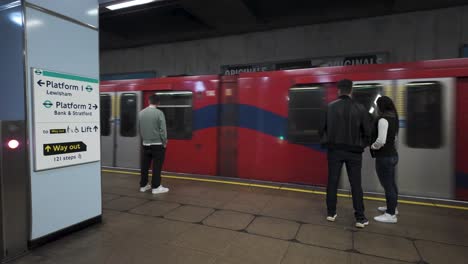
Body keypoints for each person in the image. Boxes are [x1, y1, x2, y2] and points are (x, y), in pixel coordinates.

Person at [320, 79, 371, 228]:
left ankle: (331, 213)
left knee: (332, 181)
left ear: (338, 90)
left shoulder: (329, 107)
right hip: (354, 152)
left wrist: (328, 143)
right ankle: (360, 218)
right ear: (351, 91)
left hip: (335, 151)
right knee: (356, 184)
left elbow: (321, 130)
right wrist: (361, 145)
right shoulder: (360, 108)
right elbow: (367, 132)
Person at [371, 96, 399, 223]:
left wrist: (373, 146)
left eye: (377, 105)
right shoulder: (394, 118)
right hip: (392, 155)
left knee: (388, 185)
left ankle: (390, 215)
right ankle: (393, 207)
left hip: (384, 157)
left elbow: (381, 140)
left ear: (381, 106)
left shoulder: (383, 119)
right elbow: (394, 139)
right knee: (391, 184)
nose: (376, 107)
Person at [138, 94, 169, 194]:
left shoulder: (141, 113)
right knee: (157, 166)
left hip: (145, 144)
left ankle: (143, 186)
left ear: (149, 101)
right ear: (158, 103)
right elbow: (163, 130)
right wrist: (164, 142)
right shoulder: (159, 113)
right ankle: (156, 187)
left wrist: (145, 139)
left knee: (145, 166)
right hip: (157, 144)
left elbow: (139, 128)